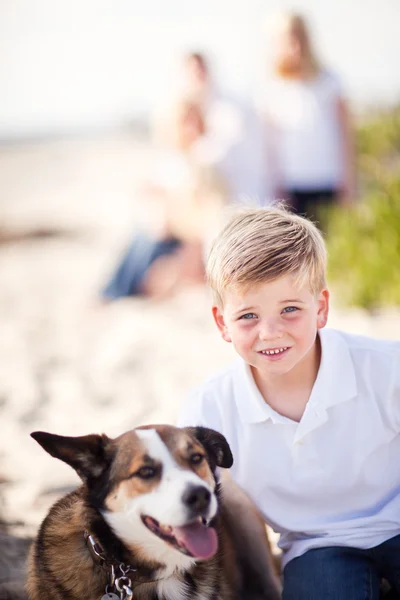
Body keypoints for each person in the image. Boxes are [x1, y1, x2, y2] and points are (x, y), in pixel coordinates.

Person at [177, 205, 400, 599]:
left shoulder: (385, 369)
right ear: (221, 324)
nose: (269, 332)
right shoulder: (210, 407)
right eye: (247, 315)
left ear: (322, 309)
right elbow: (195, 503)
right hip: (316, 545)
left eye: (290, 310)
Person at [101, 98, 227, 300]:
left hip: (188, 237)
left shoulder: (205, 160)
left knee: (147, 240)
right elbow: (146, 195)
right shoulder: (169, 161)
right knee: (141, 235)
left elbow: (211, 211)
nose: (189, 128)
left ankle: (116, 293)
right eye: (184, 122)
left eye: (193, 121)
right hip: (167, 230)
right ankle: (115, 292)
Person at [260, 12, 356, 225]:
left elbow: (345, 133)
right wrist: (275, 184)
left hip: (328, 182)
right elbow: (270, 144)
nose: (295, 45)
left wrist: (348, 182)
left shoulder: (330, 80)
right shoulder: (272, 86)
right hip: (291, 187)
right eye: (287, 39)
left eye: (298, 37)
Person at [155, 51, 271, 205]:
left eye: (200, 70)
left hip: (238, 196)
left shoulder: (230, 109)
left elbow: (227, 152)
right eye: (191, 72)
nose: (196, 76)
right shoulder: (175, 111)